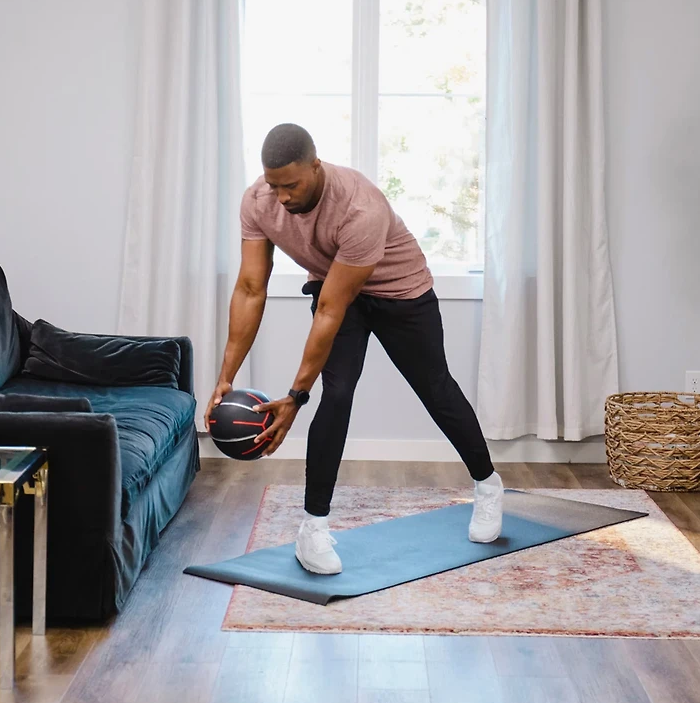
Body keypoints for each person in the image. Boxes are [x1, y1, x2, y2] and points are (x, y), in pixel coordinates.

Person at [206, 123, 503, 575]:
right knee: (338, 392)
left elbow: (330, 310)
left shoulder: (360, 208)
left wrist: (296, 397)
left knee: (435, 388)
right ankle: (313, 528)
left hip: (401, 293)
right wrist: (226, 376)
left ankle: (487, 485)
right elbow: (250, 288)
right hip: (334, 285)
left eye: (292, 185)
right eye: (274, 186)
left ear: (316, 167)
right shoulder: (258, 202)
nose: (282, 197)